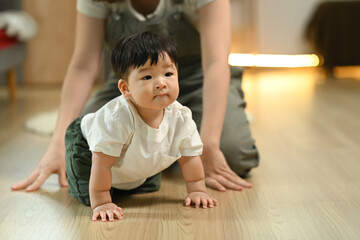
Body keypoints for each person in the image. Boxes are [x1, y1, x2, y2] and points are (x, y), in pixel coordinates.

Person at [11, 0, 259, 193]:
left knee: (232, 153)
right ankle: (165, 149)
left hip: (198, 76)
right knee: (86, 145)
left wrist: (209, 145)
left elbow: (216, 62)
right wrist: (57, 145)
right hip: (134, 83)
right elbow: (83, 66)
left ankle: (173, 148)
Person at [65, 32, 218, 221]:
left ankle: (120, 181)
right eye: (147, 77)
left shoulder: (181, 116)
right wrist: (102, 202)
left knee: (147, 185)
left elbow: (189, 157)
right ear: (125, 89)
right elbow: (102, 163)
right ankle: (78, 175)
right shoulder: (117, 118)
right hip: (88, 150)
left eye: (168, 74)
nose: (161, 83)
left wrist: (197, 190)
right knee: (88, 194)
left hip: (125, 158)